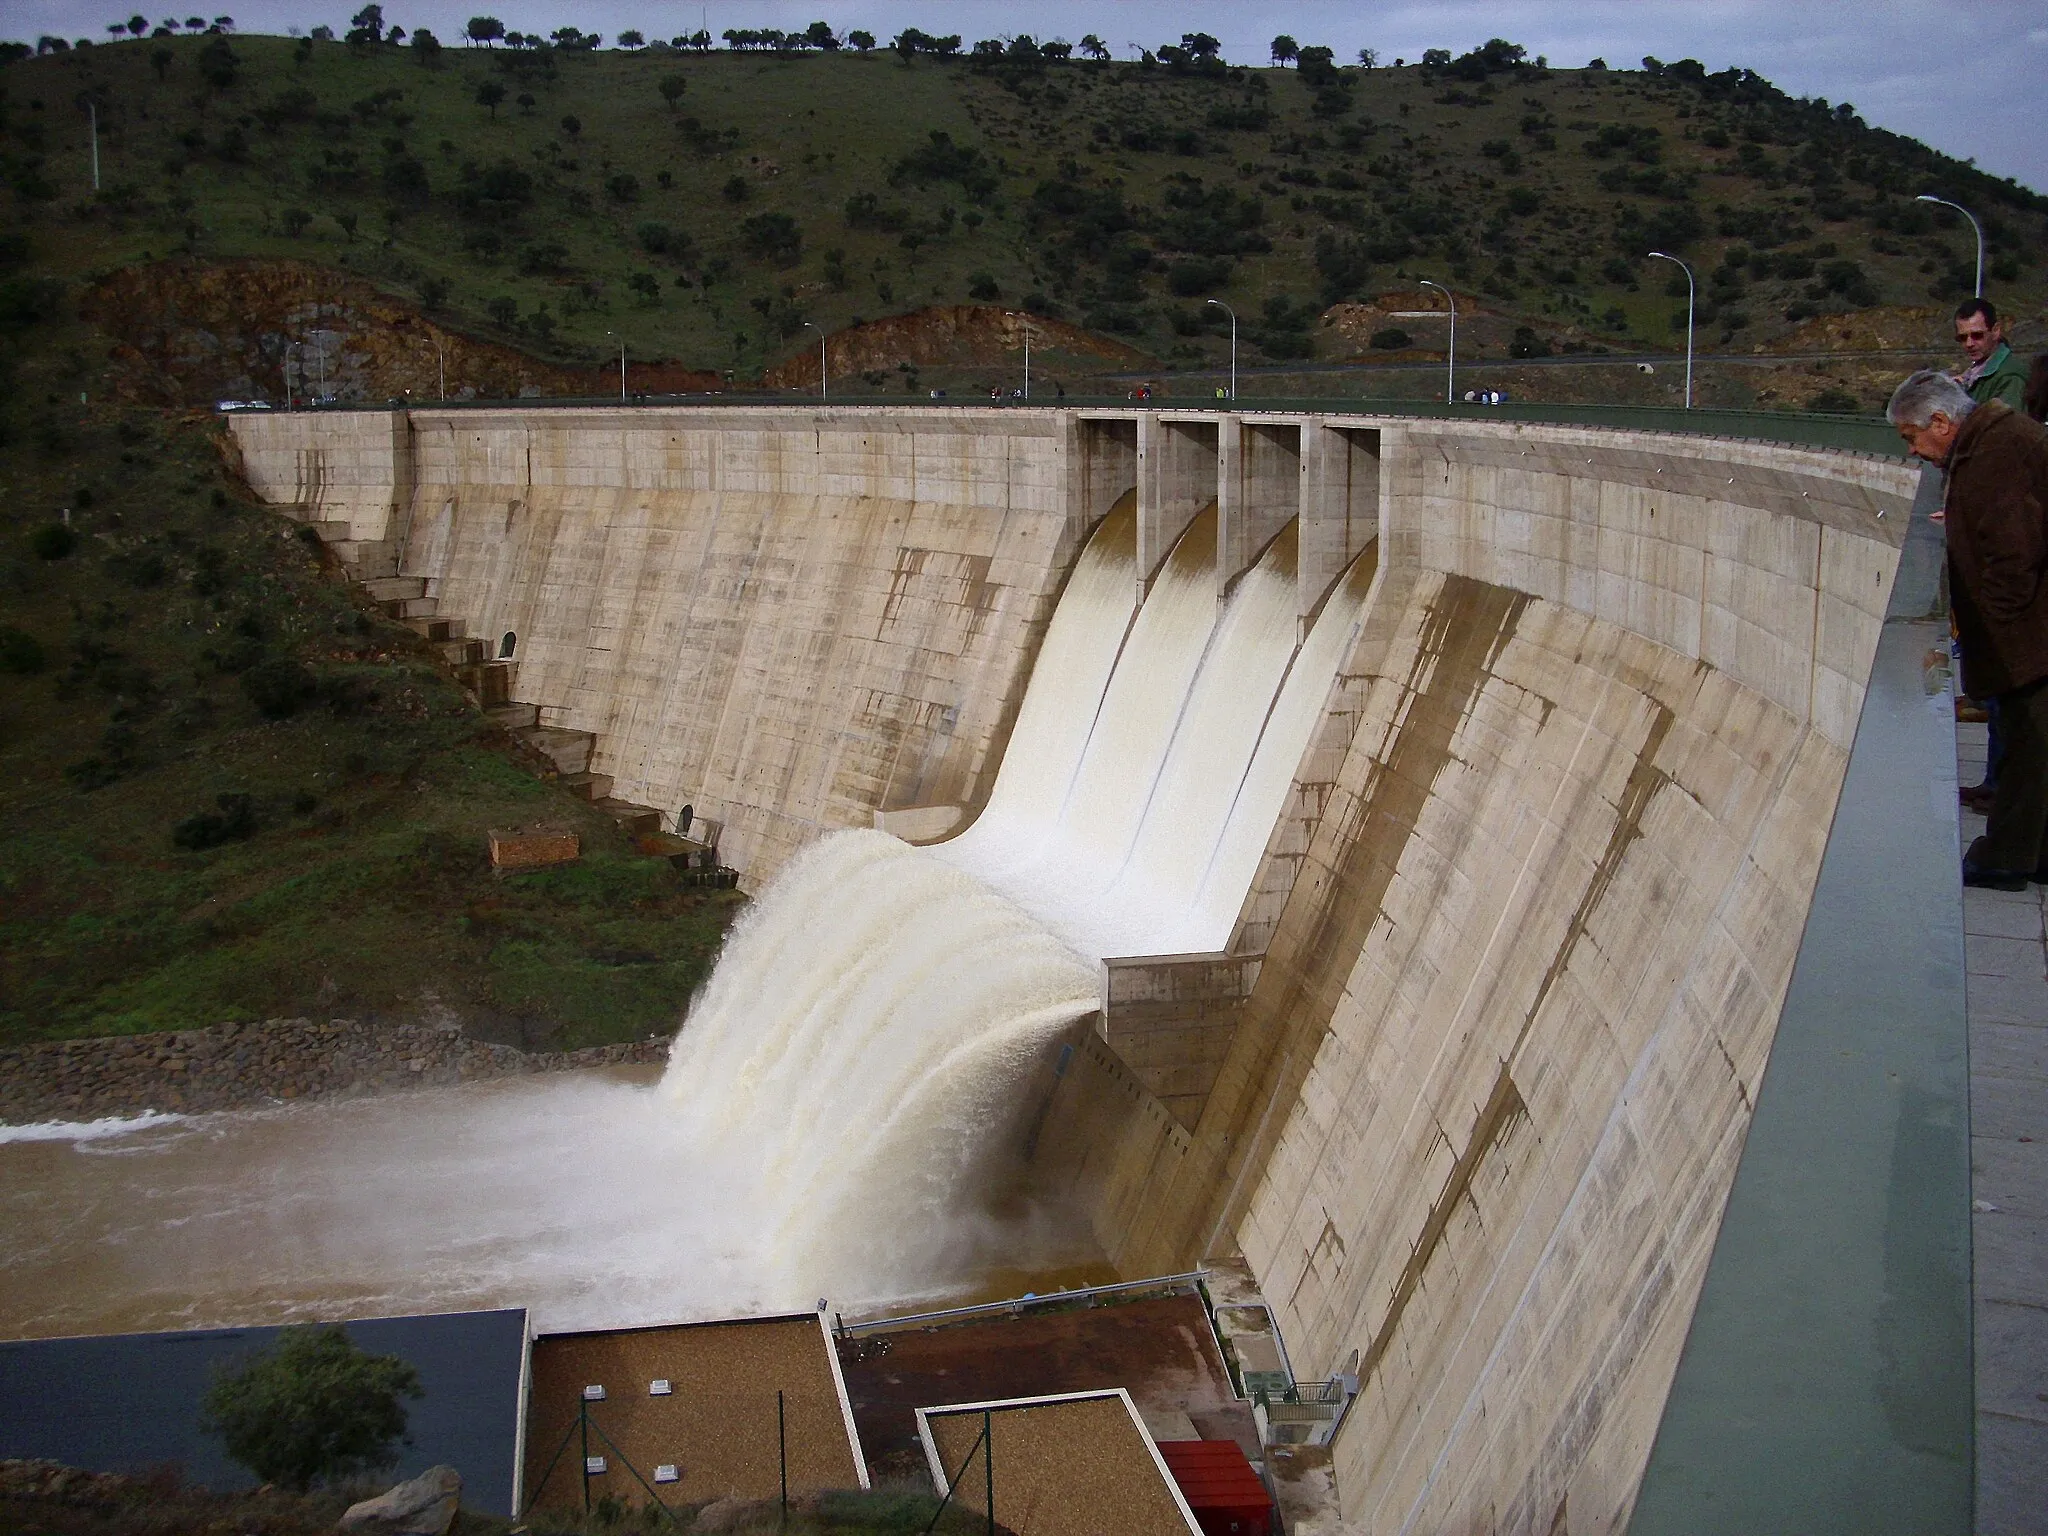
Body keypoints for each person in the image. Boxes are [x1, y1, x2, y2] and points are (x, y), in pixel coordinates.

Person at [1889, 369, 2048, 887]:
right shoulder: (1994, 443)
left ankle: (2006, 859)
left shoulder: (1997, 453)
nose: (1913, 451)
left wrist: (1999, 636)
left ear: (1940, 421)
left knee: (2030, 748)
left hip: (2031, 636)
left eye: (1912, 437)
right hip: (2030, 630)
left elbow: (2013, 553)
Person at [1952, 298, 2029, 410]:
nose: (1969, 344)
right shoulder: (1976, 373)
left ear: (1995, 331)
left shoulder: (2010, 377)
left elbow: (2008, 425)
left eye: (1977, 335)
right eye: (1962, 338)